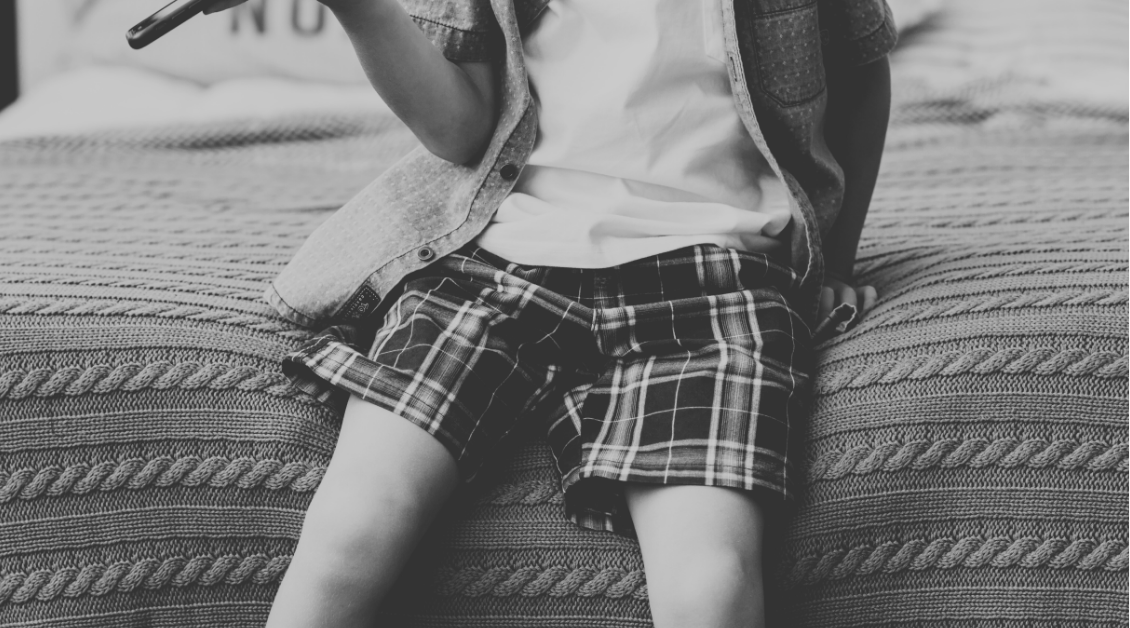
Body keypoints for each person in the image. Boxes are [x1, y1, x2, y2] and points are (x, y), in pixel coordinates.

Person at [204, 0, 895, 625]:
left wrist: (834, 261)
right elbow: (461, 130)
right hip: (494, 262)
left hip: (716, 278)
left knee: (710, 586)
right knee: (352, 527)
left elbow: (863, 72)